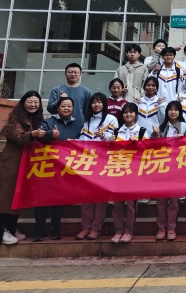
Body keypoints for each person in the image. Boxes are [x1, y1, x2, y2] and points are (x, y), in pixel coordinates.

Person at [0, 91, 44, 246]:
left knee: (17, 197)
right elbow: (19, 136)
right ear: (23, 103)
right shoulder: (15, 118)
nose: (33, 105)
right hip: (11, 162)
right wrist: (33, 134)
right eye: (30, 102)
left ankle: (11, 228)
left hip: (25, 163)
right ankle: (1, 232)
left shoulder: (37, 119)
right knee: (4, 198)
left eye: (36, 102)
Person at [34, 96, 84, 241]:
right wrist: (51, 135)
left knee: (59, 200)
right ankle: (38, 231)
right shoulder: (48, 122)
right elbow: (39, 136)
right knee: (42, 199)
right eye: (63, 106)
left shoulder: (79, 124)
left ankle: (54, 229)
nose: (66, 108)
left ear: (73, 108)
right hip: (47, 167)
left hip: (65, 168)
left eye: (69, 106)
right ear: (57, 108)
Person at [75, 93, 118, 241]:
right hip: (88, 163)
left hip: (103, 162)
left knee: (100, 198)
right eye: (94, 102)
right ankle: (85, 227)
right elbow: (82, 140)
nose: (96, 105)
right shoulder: (87, 121)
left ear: (104, 104)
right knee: (86, 197)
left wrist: (104, 136)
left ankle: (96, 228)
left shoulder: (111, 119)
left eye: (99, 102)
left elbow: (115, 140)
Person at [111, 102, 149, 243]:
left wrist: (137, 143)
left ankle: (128, 231)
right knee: (118, 205)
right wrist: (110, 143)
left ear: (136, 114)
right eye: (126, 112)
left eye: (131, 112)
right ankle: (118, 231)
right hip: (118, 171)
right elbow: (110, 153)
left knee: (131, 205)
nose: (128, 114)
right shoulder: (116, 132)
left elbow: (147, 151)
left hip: (134, 172)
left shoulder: (142, 131)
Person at [155, 101, 186, 241]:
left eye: (176, 110)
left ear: (180, 112)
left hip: (177, 168)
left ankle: (171, 228)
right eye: (170, 109)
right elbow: (153, 146)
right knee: (160, 200)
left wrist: (183, 140)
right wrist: (156, 135)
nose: (173, 112)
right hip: (162, 167)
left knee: (174, 201)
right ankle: (161, 228)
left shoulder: (184, 126)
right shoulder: (161, 127)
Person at [151, 46, 184, 120]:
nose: (168, 57)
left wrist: (178, 99)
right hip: (158, 102)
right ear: (162, 57)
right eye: (166, 55)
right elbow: (150, 81)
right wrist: (154, 71)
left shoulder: (178, 71)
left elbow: (180, 87)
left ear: (174, 56)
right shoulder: (158, 69)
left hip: (173, 102)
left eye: (171, 55)